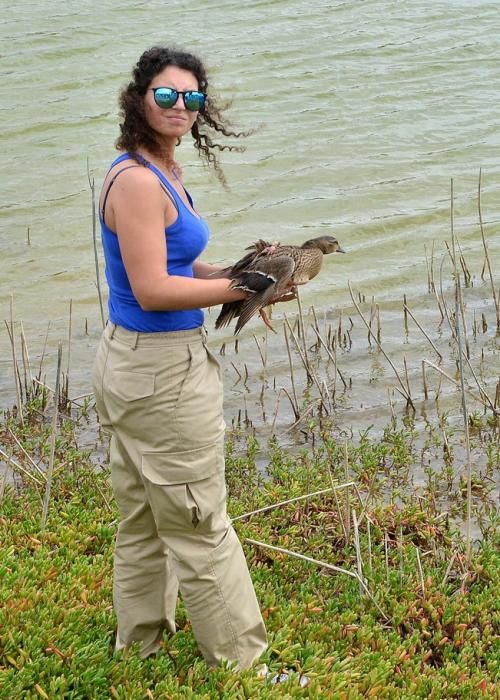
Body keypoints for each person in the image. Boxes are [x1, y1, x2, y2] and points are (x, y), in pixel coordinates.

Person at [92, 46, 269, 669]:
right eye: (166, 95)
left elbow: (171, 262)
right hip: (160, 370)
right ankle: (245, 668)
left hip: (132, 364)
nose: (180, 107)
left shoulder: (151, 168)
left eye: (191, 97)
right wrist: (247, 289)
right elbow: (153, 289)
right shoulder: (140, 182)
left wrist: (225, 272)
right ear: (140, 98)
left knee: (142, 518)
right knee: (200, 524)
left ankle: (138, 650)